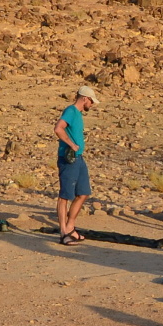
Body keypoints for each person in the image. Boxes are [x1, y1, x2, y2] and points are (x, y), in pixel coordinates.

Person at [53, 85, 98, 246]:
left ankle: (70, 227)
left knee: (83, 193)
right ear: (85, 98)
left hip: (79, 158)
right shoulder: (71, 111)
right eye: (91, 101)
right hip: (69, 159)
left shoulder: (77, 114)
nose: (92, 105)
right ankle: (63, 232)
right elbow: (58, 128)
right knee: (65, 196)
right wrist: (71, 144)